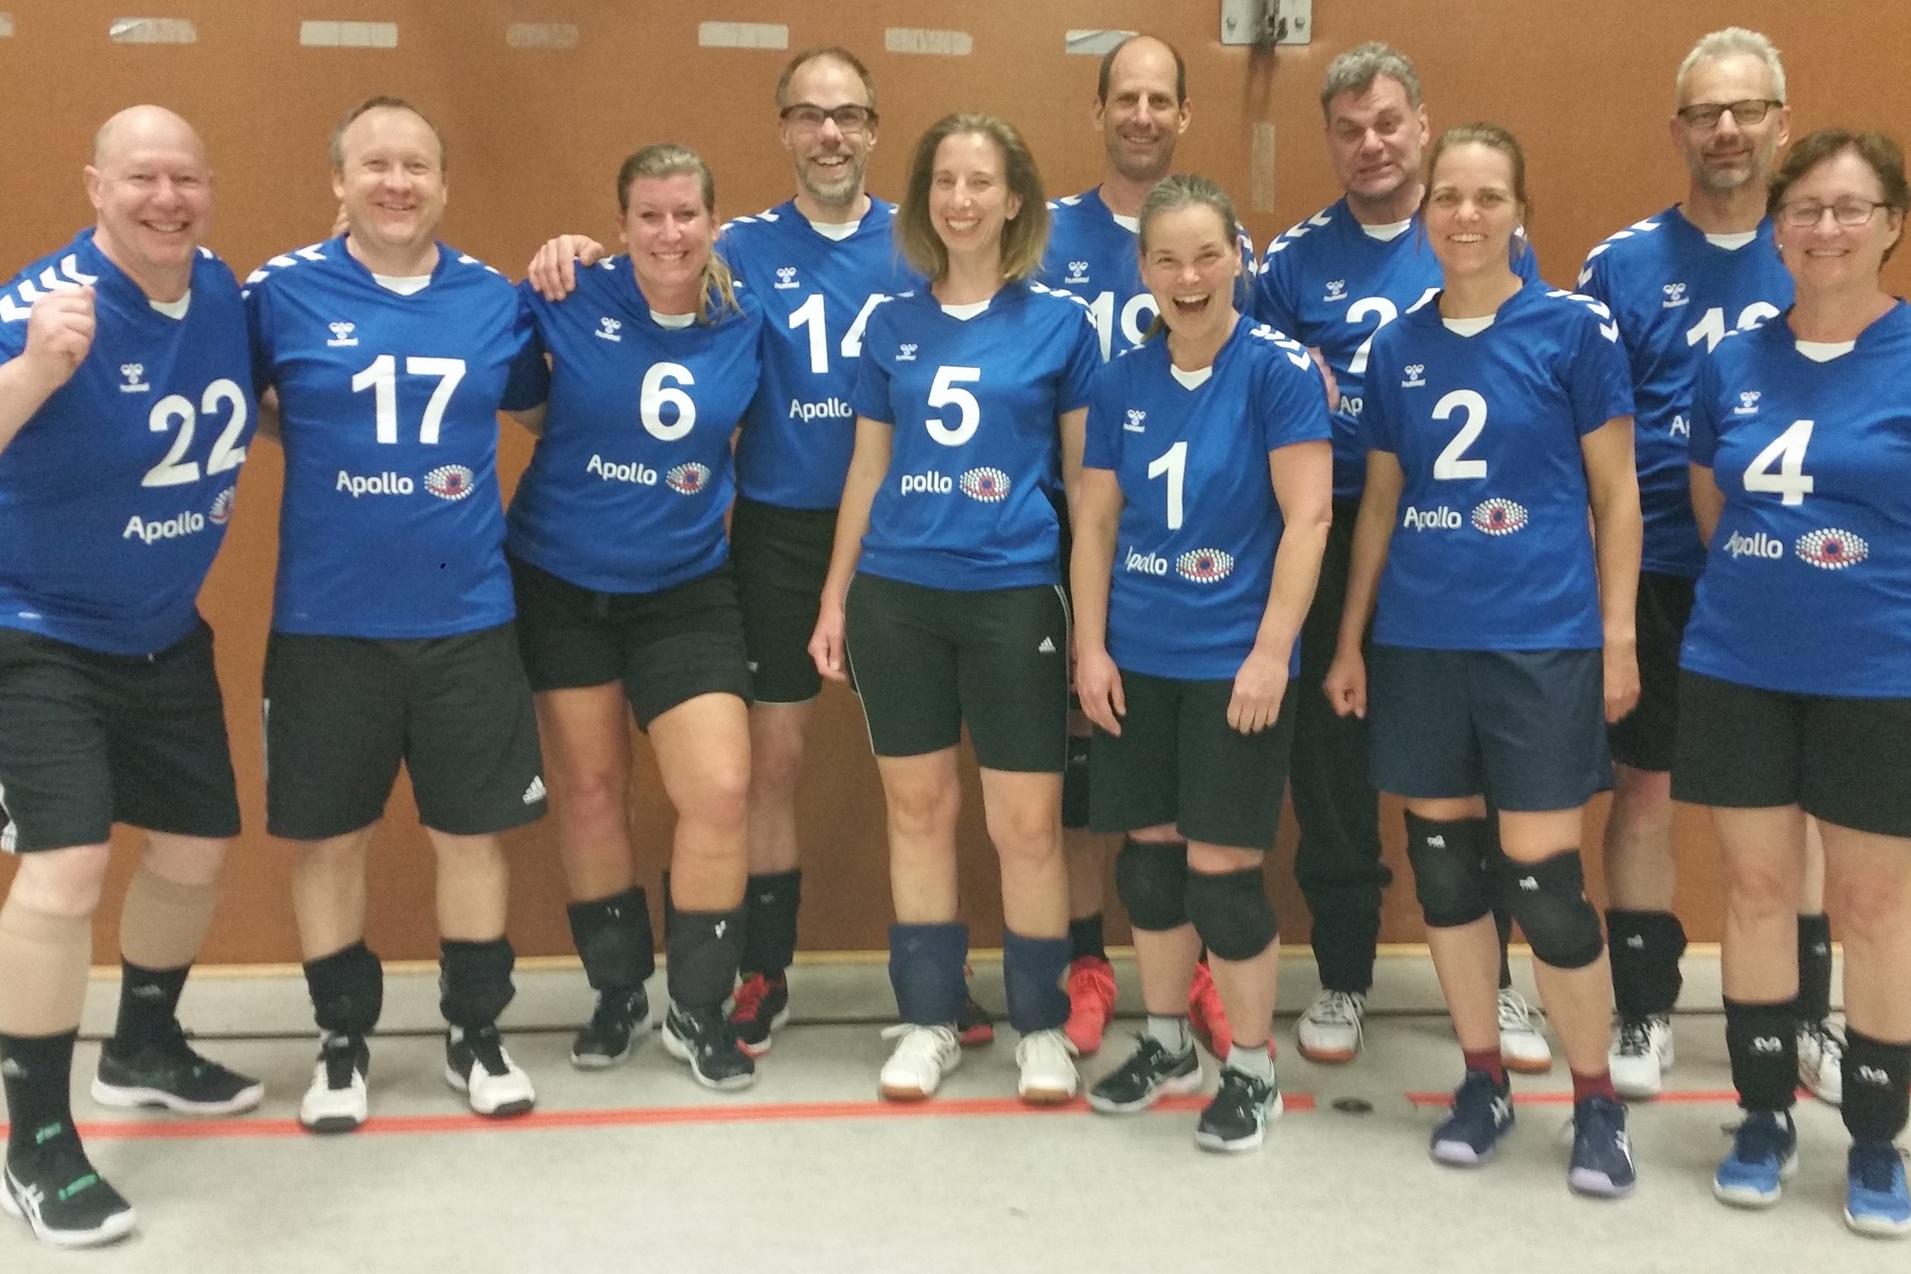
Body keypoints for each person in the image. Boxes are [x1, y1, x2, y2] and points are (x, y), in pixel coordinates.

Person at [525, 50, 995, 1056]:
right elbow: (633, 295)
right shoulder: (728, 250)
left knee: (924, 770)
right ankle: (761, 970)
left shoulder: (922, 242)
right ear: (782, 130)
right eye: (809, 116)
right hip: (779, 533)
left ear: (873, 130)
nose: (830, 134)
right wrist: (568, 248)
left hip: (909, 527)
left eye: (849, 117)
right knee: (768, 763)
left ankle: (938, 970)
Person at [1323, 123, 1641, 1196]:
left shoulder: (1571, 331)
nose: (1465, 213)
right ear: (1425, 213)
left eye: (1487, 195)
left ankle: (1595, 1098)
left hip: (1541, 639)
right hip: (1421, 639)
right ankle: (1483, 1077)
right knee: (1447, 874)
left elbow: (1619, 495)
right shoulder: (1398, 346)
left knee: (1548, 882)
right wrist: (1352, 639)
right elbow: (1378, 502)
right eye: (1448, 196)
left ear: (1519, 211)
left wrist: (1619, 636)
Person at [243, 97, 550, 1132]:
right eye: (374, 164)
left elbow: (544, 406)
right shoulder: (276, 294)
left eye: (416, 164)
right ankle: (341, 1041)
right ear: (338, 180)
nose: (396, 183)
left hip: (467, 614)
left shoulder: (492, 298)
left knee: (472, 834)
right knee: (330, 839)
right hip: (327, 623)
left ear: (444, 184)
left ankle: (476, 1031)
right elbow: (241, 402)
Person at [1255, 43, 1548, 1070]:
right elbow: (1272, 404)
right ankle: (1343, 970)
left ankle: (1505, 984)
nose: (1371, 144)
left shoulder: (1483, 234)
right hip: (1334, 531)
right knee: (1332, 767)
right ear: (1329, 139)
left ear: (1421, 123)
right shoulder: (1290, 265)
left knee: (1481, 766)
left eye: (1388, 122)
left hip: (1466, 545)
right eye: (1348, 128)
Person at [0, 105, 261, 1249]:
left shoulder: (221, 293)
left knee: (196, 846)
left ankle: (144, 1045)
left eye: (187, 178)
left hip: (161, 628)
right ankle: (35, 1139)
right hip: (33, 628)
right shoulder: (39, 304)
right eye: (143, 178)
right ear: (96, 183)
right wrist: (30, 373)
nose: (168, 198)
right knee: (64, 869)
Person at [809, 112, 1098, 1103]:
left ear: (1015, 197)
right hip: (899, 595)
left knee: (1028, 822)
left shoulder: (1061, 323)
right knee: (919, 810)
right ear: (925, 198)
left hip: (1014, 592)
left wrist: (1090, 626)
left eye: (981, 182)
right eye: (944, 182)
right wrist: (834, 596)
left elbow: (1085, 486)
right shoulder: (890, 323)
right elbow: (867, 466)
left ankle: (1044, 1025)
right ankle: (930, 1015)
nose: (962, 200)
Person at [1578, 28, 1842, 1105]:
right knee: (1645, 785)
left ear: (1782, 119)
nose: (1725, 130)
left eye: (1746, 110)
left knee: (1805, 804)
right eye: (1705, 113)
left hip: (1800, 573)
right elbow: (1582, 426)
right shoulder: (1621, 263)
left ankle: (1808, 1016)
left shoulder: (1822, 247)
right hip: (1658, 568)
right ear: (1678, 129)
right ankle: (1644, 1003)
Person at [1681, 128, 1911, 1238]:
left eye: (1851, 207)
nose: (1826, 228)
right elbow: (1713, 502)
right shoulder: (1733, 359)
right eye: (1807, 210)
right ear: (1777, 232)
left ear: (1892, 226)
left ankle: (1875, 1135)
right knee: (1760, 893)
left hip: (1879, 672)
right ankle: (1763, 1113)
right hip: (1741, 660)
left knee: (1872, 905)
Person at [1074, 174, 1331, 1150]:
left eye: (1207, 254)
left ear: (1238, 258)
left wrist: (1271, 652)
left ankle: (1256, 1067)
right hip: (1140, 655)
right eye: (1168, 258)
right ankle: (1168, 1037)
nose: (1188, 275)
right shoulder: (1123, 376)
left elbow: (1309, 516)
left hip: (1234, 663)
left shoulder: (1275, 369)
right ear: (1144, 269)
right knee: (1150, 865)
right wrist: (1092, 645)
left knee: (1224, 874)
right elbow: (1097, 518)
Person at [508, 143, 762, 1089]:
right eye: (648, 216)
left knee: (720, 789)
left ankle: (697, 1007)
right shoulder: (565, 294)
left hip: (686, 587)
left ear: (712, 221)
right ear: (619, 227)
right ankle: (617, 991)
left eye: (685, 214)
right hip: (560, 580)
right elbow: (521, 404)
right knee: (589, 790)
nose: (668, 233)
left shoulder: (745, 319)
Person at [1038, 32, 1258, 1059]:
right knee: (1090, 773)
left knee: (1196, 803)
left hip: (1198, 551)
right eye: (1122, 96)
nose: (1139, 113)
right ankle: (1090, 964)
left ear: (1183, 116)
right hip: (1060, 528)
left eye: (1158, 98)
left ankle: (1196, 982)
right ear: (1098, 111)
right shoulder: (1041, 235)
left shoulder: (1224, 237)